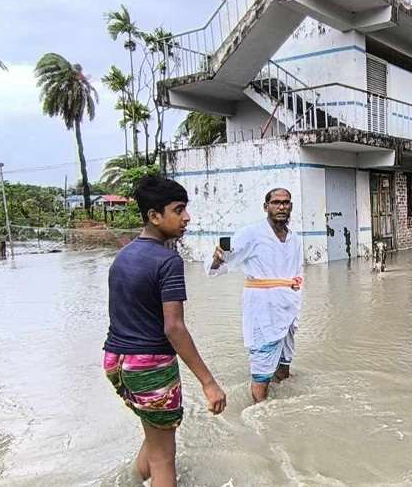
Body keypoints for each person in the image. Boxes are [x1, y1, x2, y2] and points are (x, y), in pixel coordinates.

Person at [102, 174, 227, 487]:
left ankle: (126, 482)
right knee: (164, 459)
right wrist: (209, 382)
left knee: (156, 434)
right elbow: (174, 328)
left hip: (117, 362)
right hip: (150, 366)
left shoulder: (123, 256)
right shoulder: (168, 261)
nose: (186, 218)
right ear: (154, 216)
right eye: (178, 210)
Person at [207, 187, 303, 403]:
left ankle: (281, 405)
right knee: (261, 371)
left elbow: (296, 274)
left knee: (284, 364)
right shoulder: (251, 234)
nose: (281, 207)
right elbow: (223, 264)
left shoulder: (294, 238)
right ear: (266, 207)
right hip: (263, 310)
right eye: (276, 202)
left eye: (286, 203)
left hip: (289, 307)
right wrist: (217, 258)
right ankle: (261, 413)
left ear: (291, 207)